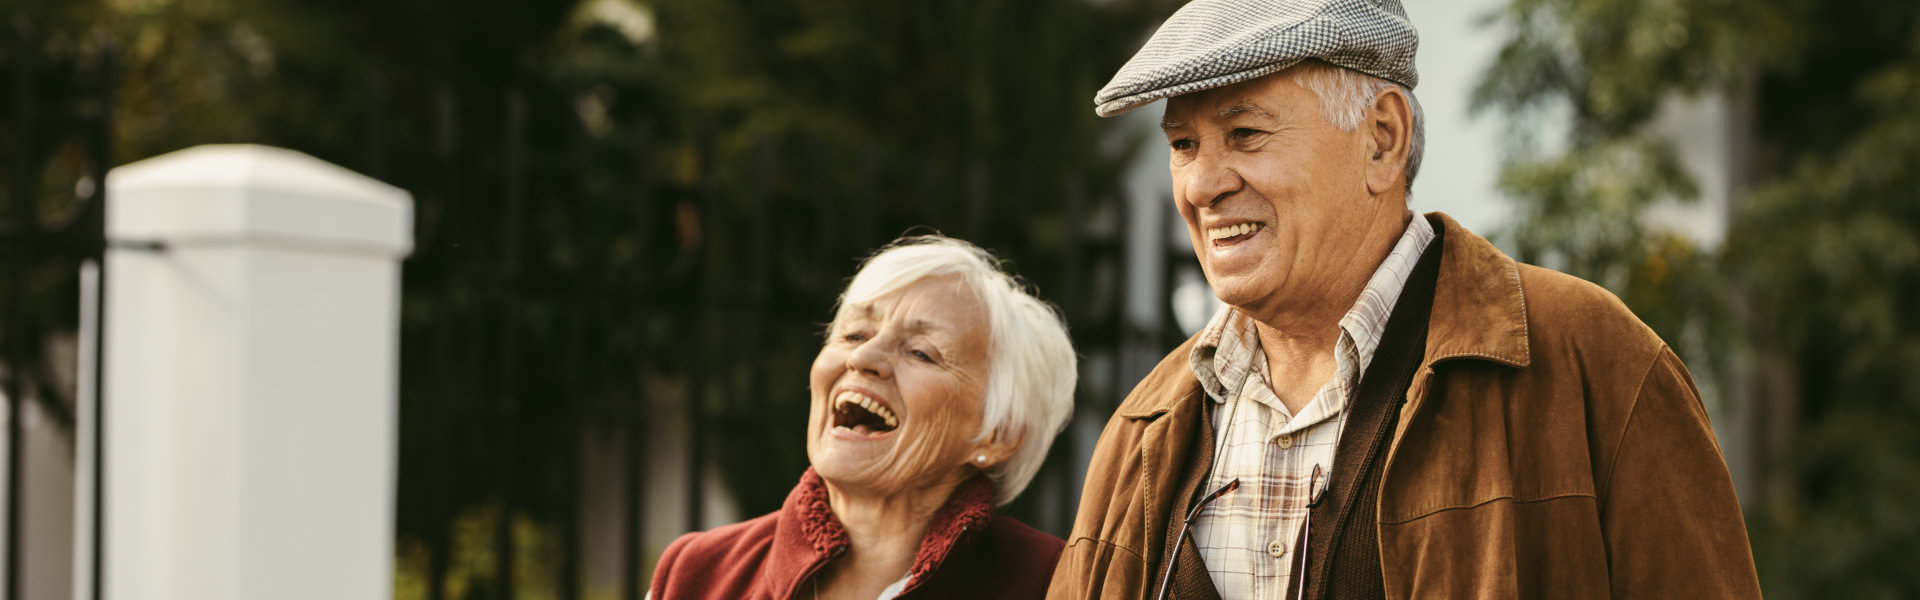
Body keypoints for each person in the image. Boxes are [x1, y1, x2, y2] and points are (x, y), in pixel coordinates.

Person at [1050, 1, 1761, 598]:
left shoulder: (1595, 362)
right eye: (1182, 144)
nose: (1203, 184)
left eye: (1245, 134)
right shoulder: (1144, 430)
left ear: (1384, 139)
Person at [649, 235, 1077, 600]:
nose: (863, 357)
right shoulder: (697, 575)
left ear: (997, 435)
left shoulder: (1062, 584)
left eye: (921, 352)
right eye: (854, 333)